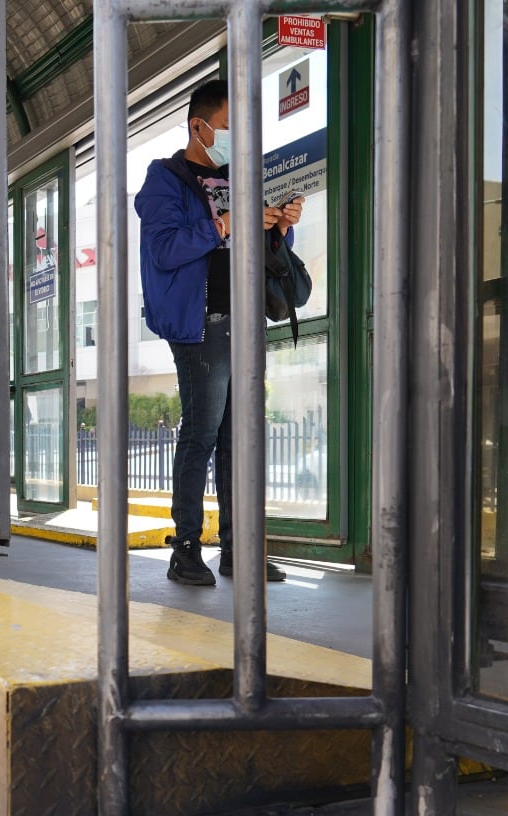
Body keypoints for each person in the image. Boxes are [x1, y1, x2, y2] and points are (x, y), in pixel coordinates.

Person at [135, 79, 303, 586]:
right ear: (199, 126)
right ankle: (185, 548)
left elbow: (259, 244)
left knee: (239, 440)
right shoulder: (164, 179)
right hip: (201, 323)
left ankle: (238, 550)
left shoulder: (241, 177)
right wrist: (226, 222)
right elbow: (164, 250)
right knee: (202, 433)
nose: (233, 139)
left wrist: (280, 224)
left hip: (247, 319)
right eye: (227, 128)